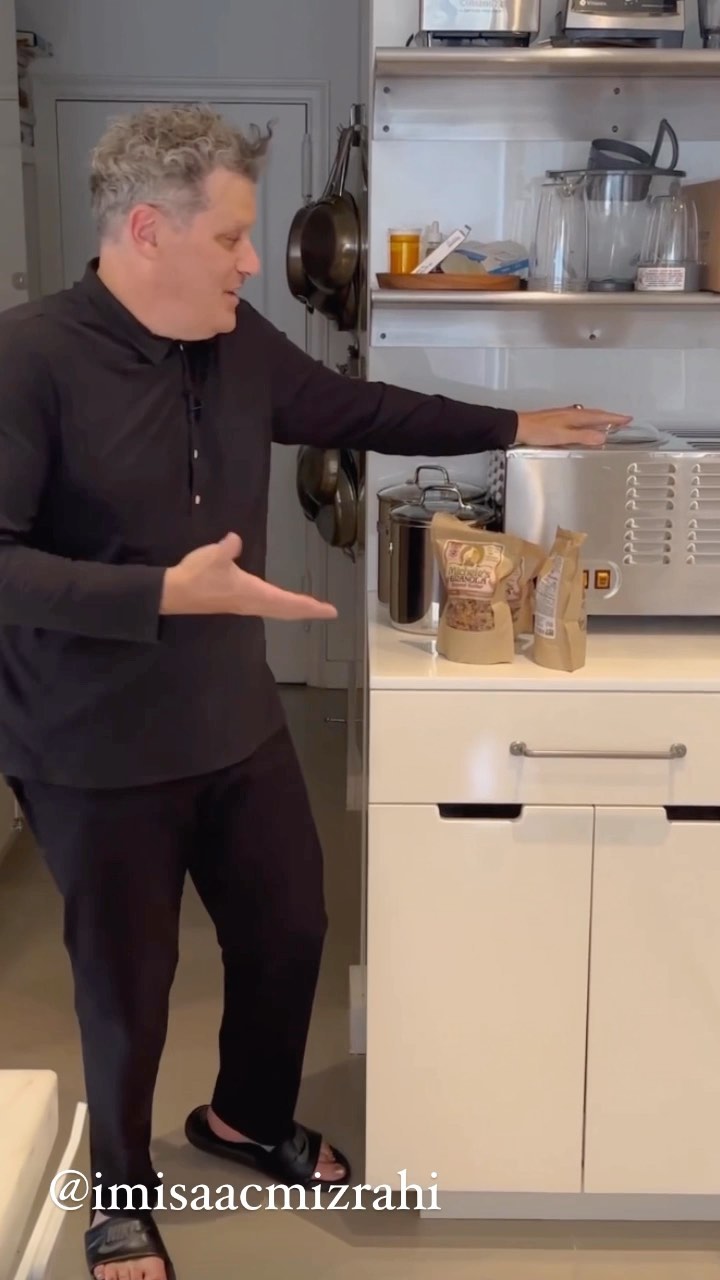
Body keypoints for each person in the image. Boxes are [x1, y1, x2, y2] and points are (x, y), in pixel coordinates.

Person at [0, 102, 631, 1280]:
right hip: (89, 745)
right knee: (127, 985)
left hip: (234, 720)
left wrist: (513, 423)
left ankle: (244, 1115)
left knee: (289, 928)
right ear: (147, 231)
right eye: (230, 237)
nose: (253, 262)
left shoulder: (236, 343)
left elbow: (362, 408)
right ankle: (120, 1194)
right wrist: (159, 594)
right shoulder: (26, 359)